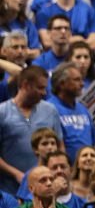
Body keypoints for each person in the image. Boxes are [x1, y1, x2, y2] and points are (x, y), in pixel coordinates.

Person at [0, 66, 61, 194]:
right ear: (25, 85)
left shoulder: (50, 110)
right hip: (10, 188)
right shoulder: (2, 112)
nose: (44, 93)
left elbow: (60, 146)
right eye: (40, 88)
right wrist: (16, 174)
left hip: (45, 187)